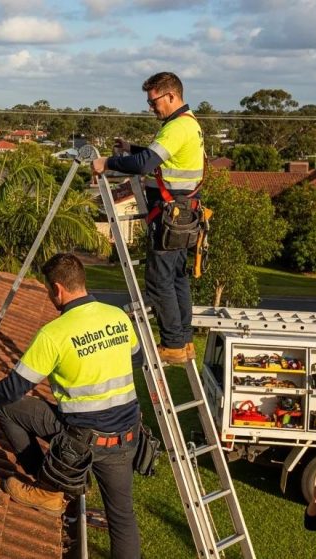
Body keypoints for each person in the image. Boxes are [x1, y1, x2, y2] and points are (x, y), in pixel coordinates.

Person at [0, 253, 143, 558]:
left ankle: (48, 489)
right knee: (122, 518)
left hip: (83, 441)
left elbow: (14, 388)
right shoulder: (118, 317)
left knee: (9, 407)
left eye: (48, 291)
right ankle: (54, 485)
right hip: (127, 436)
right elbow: (136, 356)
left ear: (57, 289)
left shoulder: (55, 333)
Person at [92, 71, 204, 364]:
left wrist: (108, 162)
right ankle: (184, 340)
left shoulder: (177, 127)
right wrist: (131, 149)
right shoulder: (187, 123)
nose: (152, 108)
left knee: (159, 281)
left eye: (154, 102)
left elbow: (144, 166)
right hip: (183, 213)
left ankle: (173, 345)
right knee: (177, 278)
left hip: (171, 214)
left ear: (171, 95)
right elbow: (157, 156)